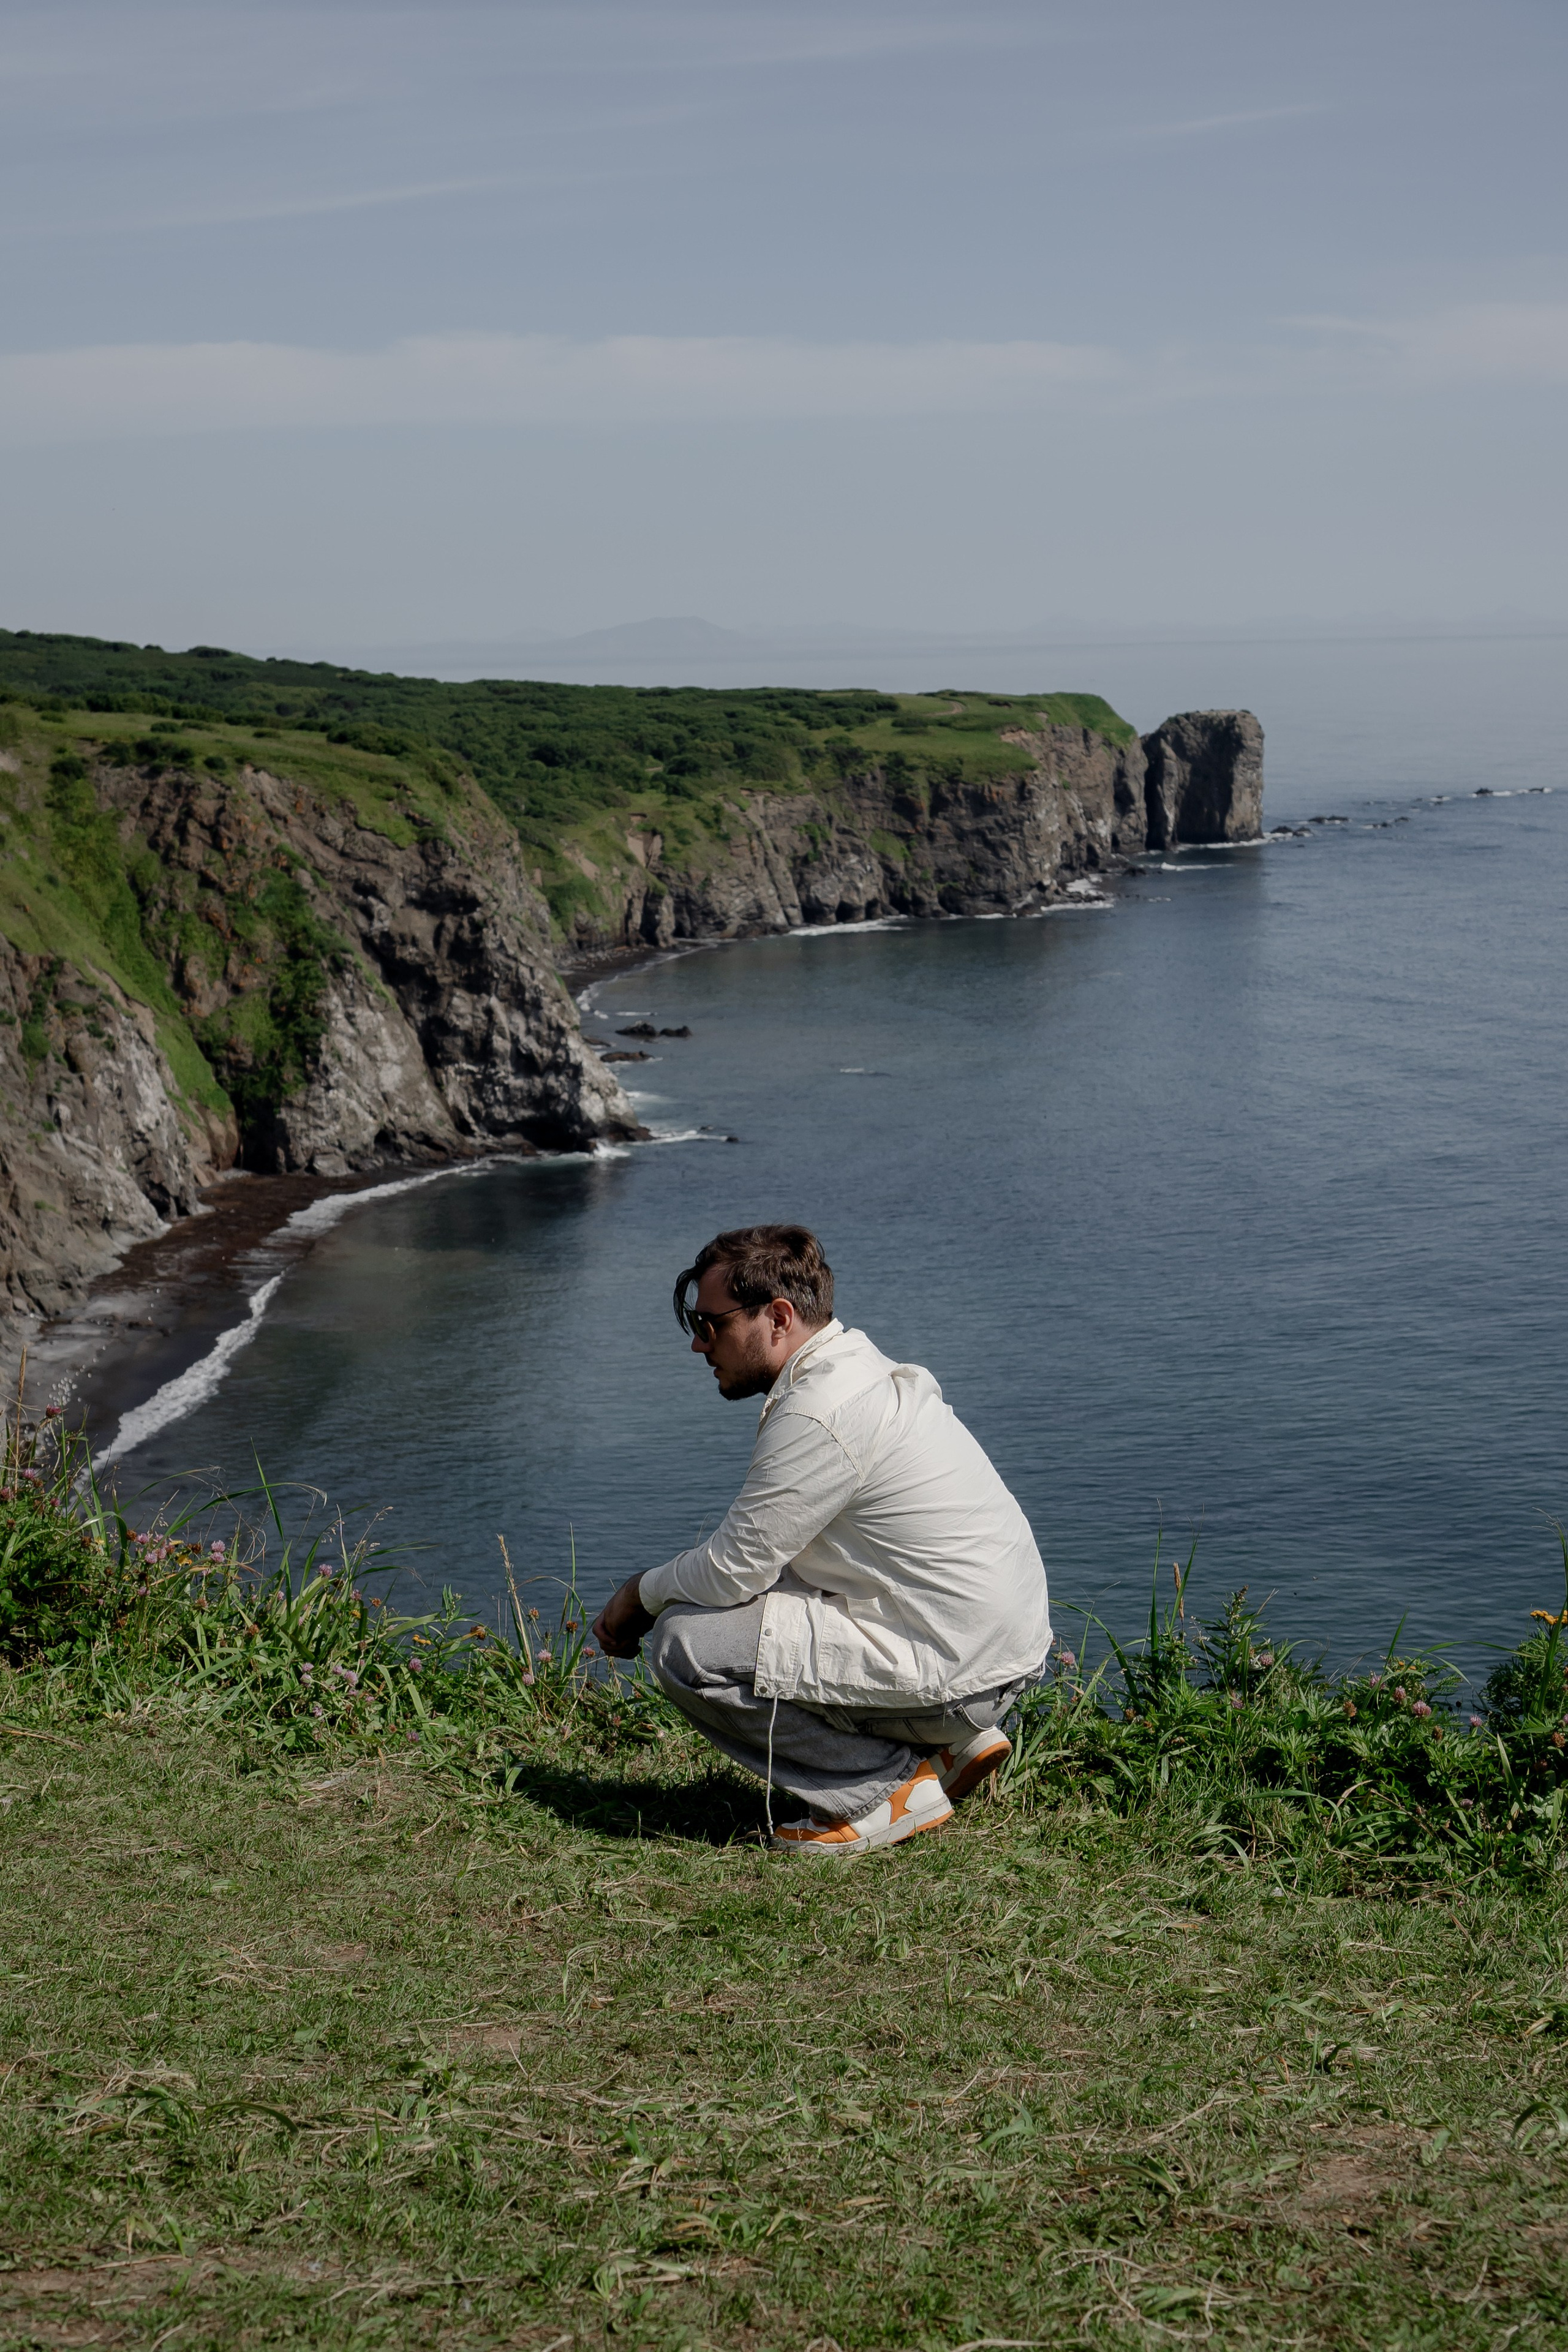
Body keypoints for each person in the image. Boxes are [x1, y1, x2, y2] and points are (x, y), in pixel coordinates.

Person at [591, 1223, 1052, 1857]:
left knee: (684, 1646)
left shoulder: (818, 1409)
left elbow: (730, 1571)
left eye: (710, 1325)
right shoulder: (854, 1364)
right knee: (761, 1595)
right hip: (989, 1649)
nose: (698, 1346)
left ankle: (879, 1791)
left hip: (963, 1671)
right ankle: (939, 1747)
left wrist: (635, 1596)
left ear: (777, 1317)